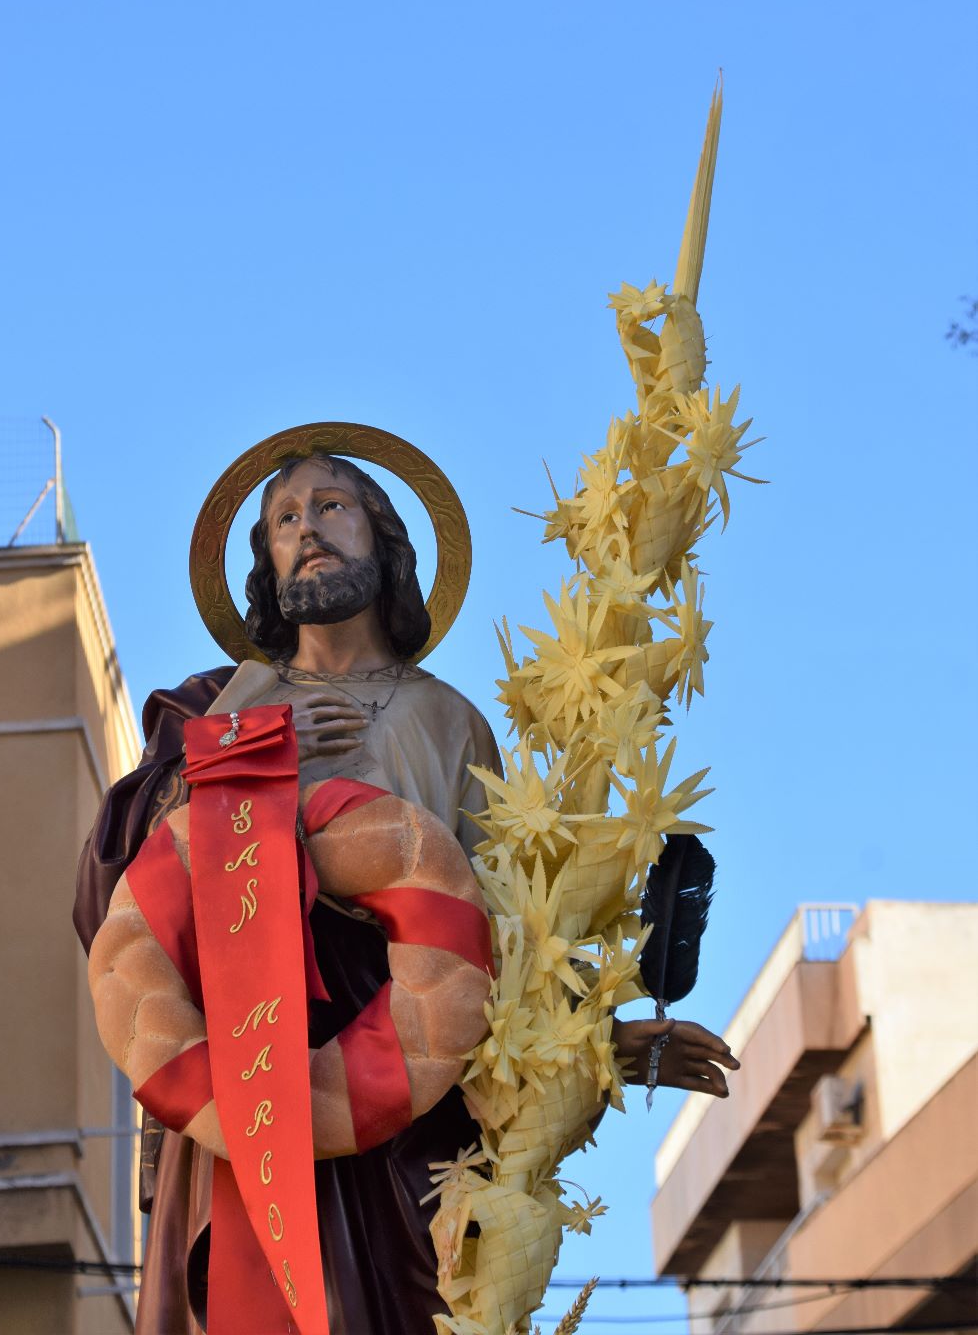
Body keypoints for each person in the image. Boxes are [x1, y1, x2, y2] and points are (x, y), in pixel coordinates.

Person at [74, 454, 736, 1333]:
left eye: (332, 505)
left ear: (384, 541)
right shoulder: (214, 705)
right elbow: (118, 881)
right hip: (250, 1063)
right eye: (283, 520)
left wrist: (598, 1038)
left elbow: (506, 928)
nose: (306, 527)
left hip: (414, 1091)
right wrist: (249, 751)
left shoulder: (450, 721)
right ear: (266, 567)